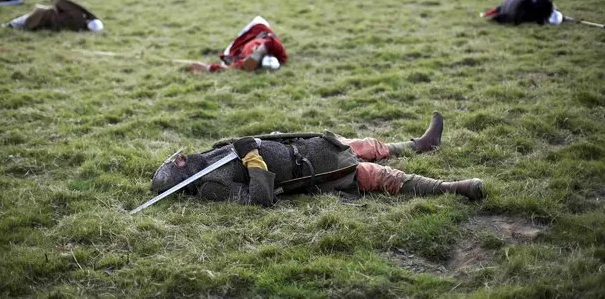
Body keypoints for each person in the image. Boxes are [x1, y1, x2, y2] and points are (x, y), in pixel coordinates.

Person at [149, 112, 485, 206]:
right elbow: (261, 199)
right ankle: (454, 188)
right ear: (181, 176)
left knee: (365, 143)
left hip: (307, 147)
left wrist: (266, 139)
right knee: (380, 176)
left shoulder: (204, 158)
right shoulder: (210, 186)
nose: (178, 158)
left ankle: (420, 145)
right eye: (174, 164)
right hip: (314, 171)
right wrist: (252, 157)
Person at [188, 16, 287, 73]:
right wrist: (260, 51)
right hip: (258, 27)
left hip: (239, 48)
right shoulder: (279, 52)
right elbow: (271, 41)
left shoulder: (244, 64)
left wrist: (206, 67)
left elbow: (230, 68)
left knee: (230, 60)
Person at [2, 0, 103, 32]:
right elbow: (60, 3)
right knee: (23, 23)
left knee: (24, 23)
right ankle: (8, 26)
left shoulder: (78, 19)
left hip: (46, 19)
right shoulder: (78, 23)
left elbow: (59, 3)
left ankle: (8, 25)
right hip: (46, 18)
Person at [481, 0, 557, 25]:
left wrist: (486, 14)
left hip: (504, 17)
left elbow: (498, 9)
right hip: (511, 17)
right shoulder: (526, 1)